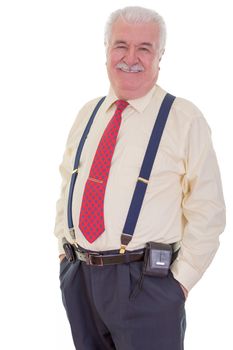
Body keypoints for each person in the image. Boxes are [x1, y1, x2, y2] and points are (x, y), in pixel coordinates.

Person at [54, 6, 226, 350]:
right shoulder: (88, 113)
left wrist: (179, 284)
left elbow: (209, 211)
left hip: (146, 284)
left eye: (144, 48)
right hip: (80, 279)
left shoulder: (184, 118)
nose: (130, 57)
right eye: (121, 45)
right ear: (106, 49)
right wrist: (64, 252)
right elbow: (66, 186)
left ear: (160, 56)